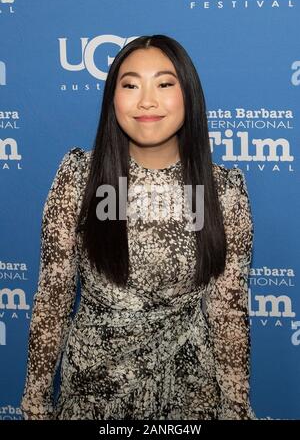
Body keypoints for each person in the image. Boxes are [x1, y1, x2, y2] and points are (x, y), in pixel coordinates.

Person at [21, 34, 256, 420]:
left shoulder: (223, 191)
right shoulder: (80, 177)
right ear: (113, 98)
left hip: (189, 397)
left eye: (164, 84)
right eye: (130, 85)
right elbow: (53, 298)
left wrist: (237, 409)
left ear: (188, 96)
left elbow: (227, 312)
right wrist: (35, 406)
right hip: (92, 395)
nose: (147, 101)